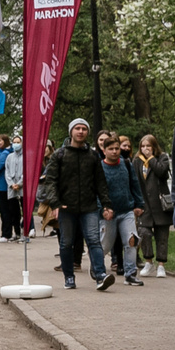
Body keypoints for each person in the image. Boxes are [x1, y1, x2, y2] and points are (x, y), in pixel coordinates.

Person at [40, 119, 109, 290]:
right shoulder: (60, 155)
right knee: (66, 243)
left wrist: (107, 204)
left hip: (89, 207)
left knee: (93, 240)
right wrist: (55, 203)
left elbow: (100, 182)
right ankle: (69, 276)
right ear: (71, 131)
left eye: (84, 129)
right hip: (66, 207)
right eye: (77, 128)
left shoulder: (93, 155)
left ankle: (100, 275)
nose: (80, 131)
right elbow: (51, 181)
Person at [98, 132, 141, 285]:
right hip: (108, 213)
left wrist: (139, 204)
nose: (115, 151)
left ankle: (130, 273)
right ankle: (97, 267)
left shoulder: (126, 164)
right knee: (105, 245)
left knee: (131, 240)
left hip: (126, 210)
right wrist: (102, 209)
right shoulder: (99, 168)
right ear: (104, 150)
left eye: (117, 148)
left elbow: (134, 185)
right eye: (111, 149)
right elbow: (95, 192)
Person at [135, 132, 172, 278]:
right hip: (144, 204)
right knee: (144, 233)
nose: (145, 149)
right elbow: (135, 181)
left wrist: (150, 158)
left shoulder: (162, 158)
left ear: (154, 146)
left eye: (148, 146)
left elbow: (162, 172)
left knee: (162, 235)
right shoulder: (137, 161)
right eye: (143, 146)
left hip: (161, 204)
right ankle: (148, 261)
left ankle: (161, 264)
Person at [0, 133, 23, 242]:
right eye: (15, 142)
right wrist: (11, 184)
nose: (16, 144)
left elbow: (27, 172)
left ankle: (25, 233)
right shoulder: (9, 157)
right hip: (11, 188)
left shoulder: (26, 156)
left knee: (24, 211)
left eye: (18, 142)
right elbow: (7, 172)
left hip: (22, 188)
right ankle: (16, 233)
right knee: (14, 212)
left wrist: (20, 183)